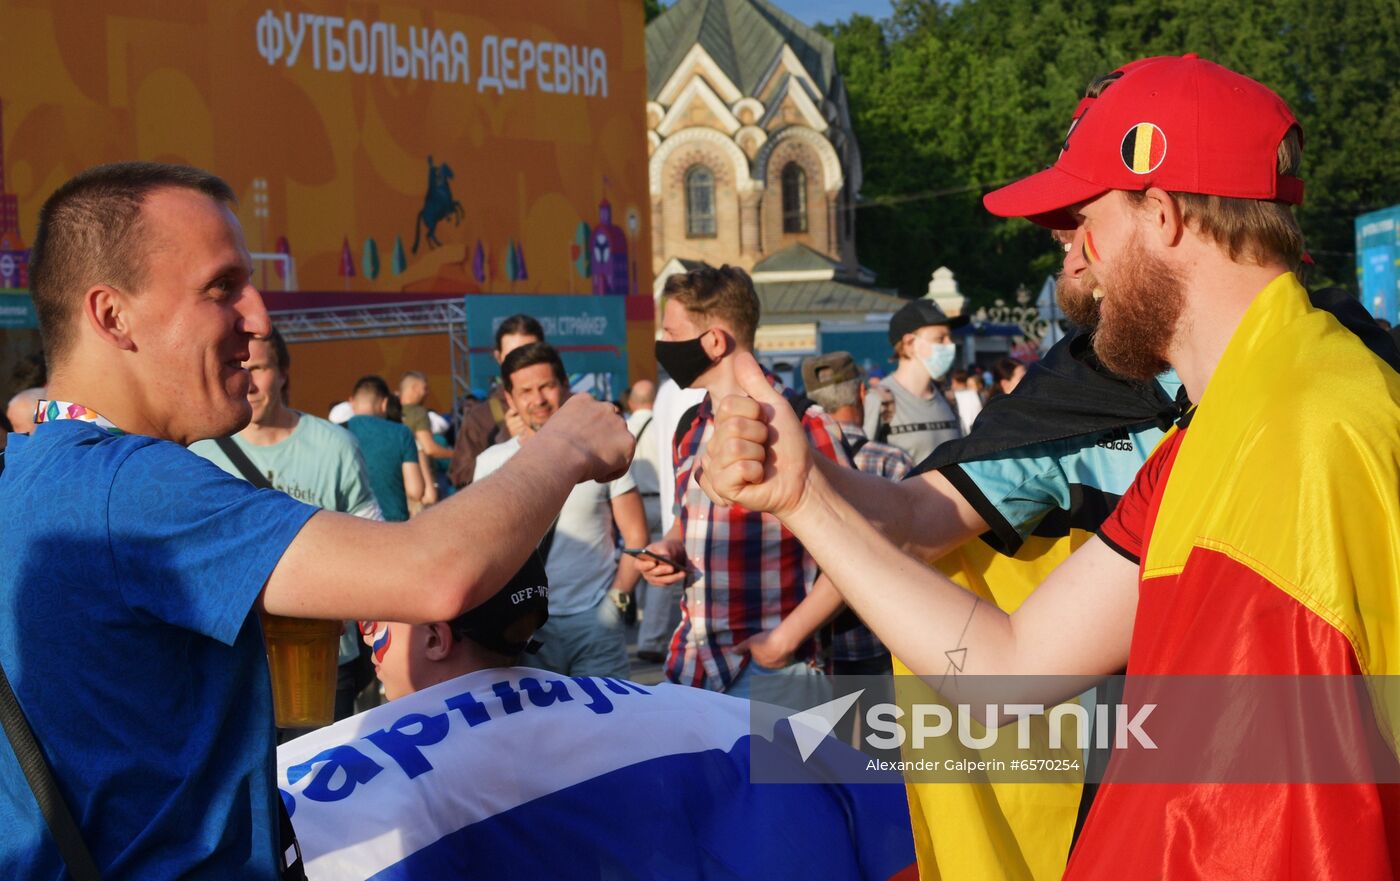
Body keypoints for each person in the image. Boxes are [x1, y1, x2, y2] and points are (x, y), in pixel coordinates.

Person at [707, 55, 1400, 879]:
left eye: (1082, 217)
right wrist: (802, 496)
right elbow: (1005, 670)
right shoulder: (1212, 440)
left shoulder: (1321, 426)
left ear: (1164, 213)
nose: (1071, 256)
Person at [0, 161, 633, 878]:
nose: (260, 319)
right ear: (113, 315)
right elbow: (431, 573)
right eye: (222, 288)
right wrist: (567, 444)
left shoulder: (30, 473)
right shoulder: (132, 488)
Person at [276, 555, 919, 881]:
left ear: (438, 635)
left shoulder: (313, 780)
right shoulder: (689, 713)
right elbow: (883, 805)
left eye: (373, 627)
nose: (370, 651)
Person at [634, 265, 850, 699]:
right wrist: (669, 547)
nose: (663, 346)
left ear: (713, 342)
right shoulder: (689, 428)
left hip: (776, 674)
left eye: (672, 334)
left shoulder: (803, 424)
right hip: (692, 666)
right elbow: (687, 520)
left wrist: (785, 641)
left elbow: (859, 552)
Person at [190, 327, 384, 724]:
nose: (249, 381)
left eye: (258, 367)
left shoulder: (335, 446)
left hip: (322, 661)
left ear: (282, 373)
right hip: (233, 667)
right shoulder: (200, 454)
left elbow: (371, 542)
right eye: (237, 366)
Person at [474, 342, 649, 679]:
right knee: (537, 732)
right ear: (509, 399)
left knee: (606, 730)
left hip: (595, 623)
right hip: (525, 629)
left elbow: (637, 535)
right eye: (525, 391)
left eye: (546, 386)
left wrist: (616, 604)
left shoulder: (601, 454)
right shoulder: (490, 463)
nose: (538, 399)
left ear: (565, 386)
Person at [862, 298, 967, 463]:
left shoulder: (947, 398)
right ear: (909, 343)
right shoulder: (879, 400)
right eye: (940, 339)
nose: (950, 344)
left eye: (949, 337)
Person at [448, 314, 544, 488]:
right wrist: (506, 441)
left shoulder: (569, 406)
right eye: (512, 356)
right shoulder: (481, 416)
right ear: (498, 357)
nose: (522, 363)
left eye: (530, 354)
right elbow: (460, 477)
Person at [342, 374, 424, 523]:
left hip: (348, 526)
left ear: (351, 402)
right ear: (385, 403)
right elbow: (415, 491)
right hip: (392, 525)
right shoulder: (401, 433)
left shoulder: (335, 434)